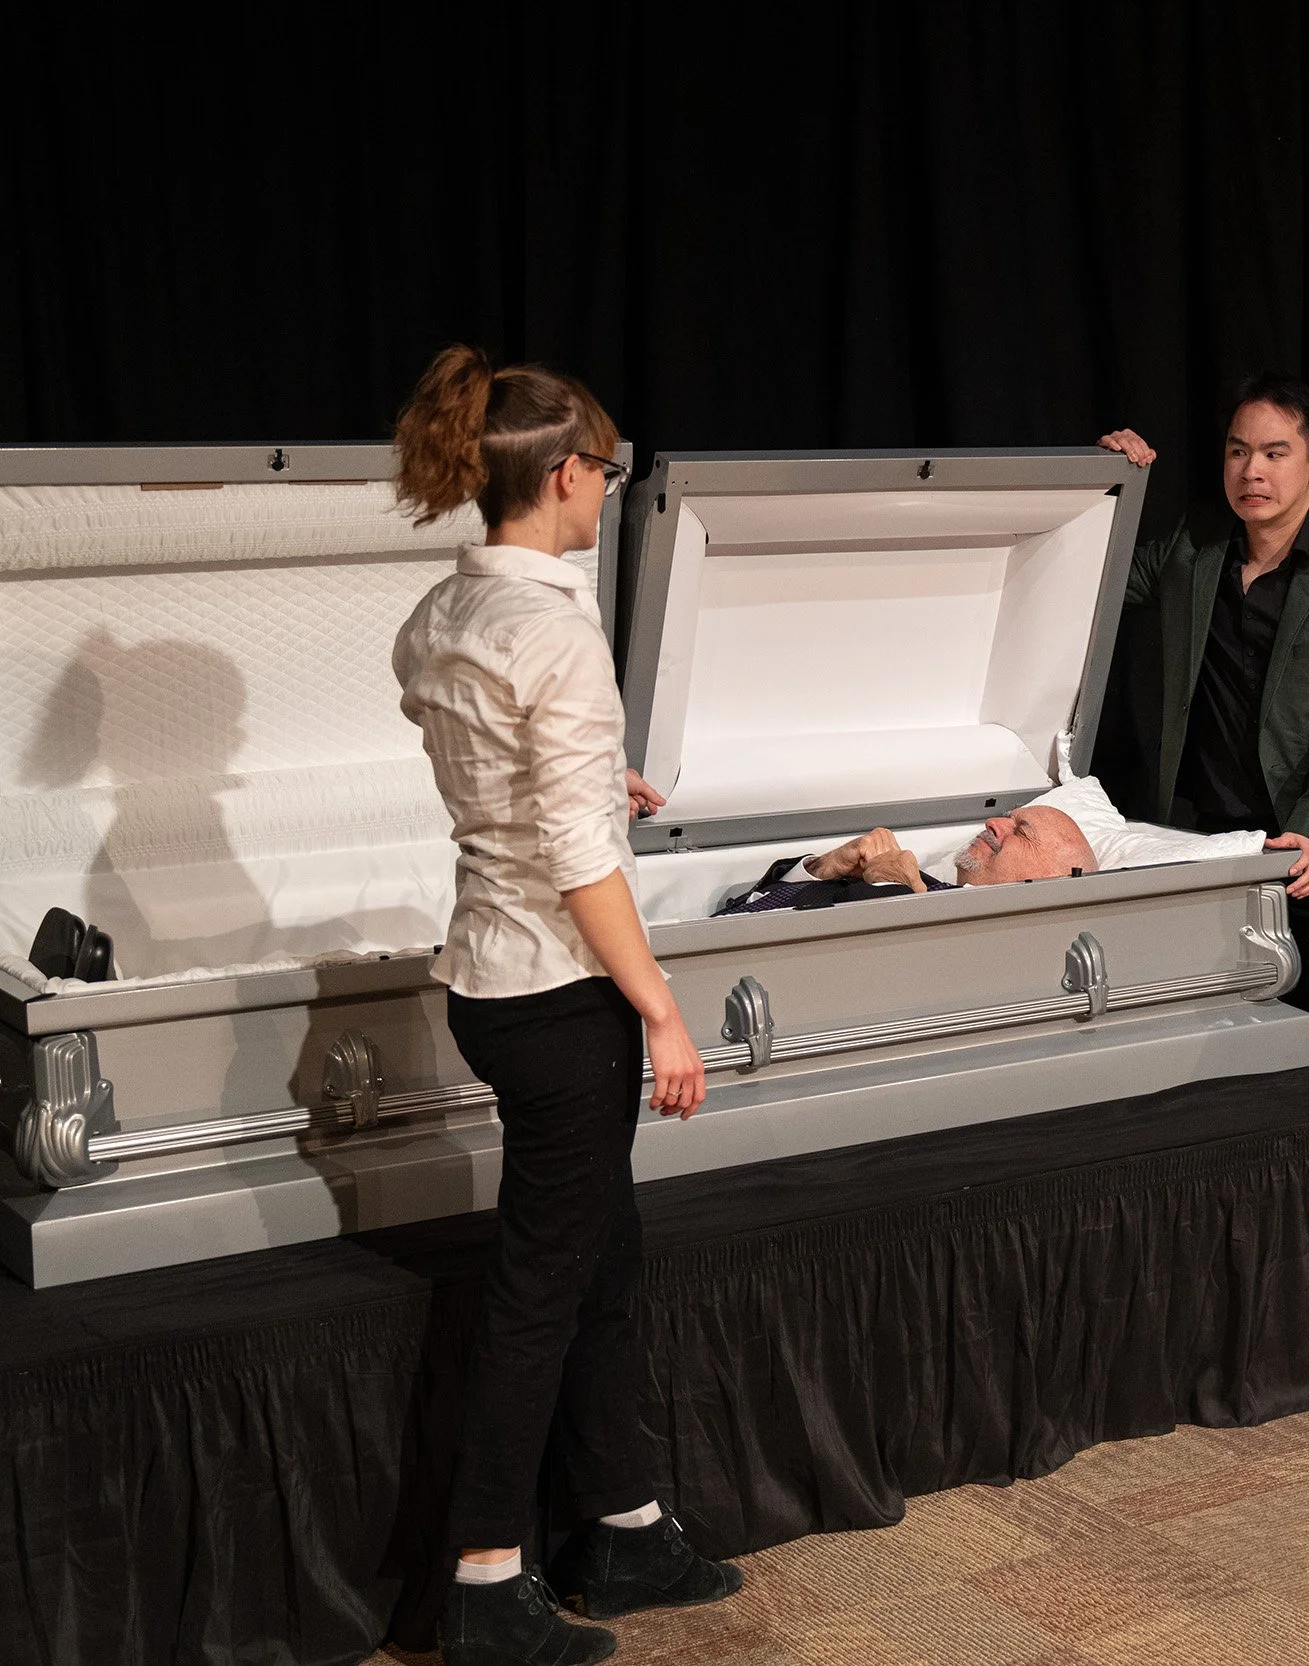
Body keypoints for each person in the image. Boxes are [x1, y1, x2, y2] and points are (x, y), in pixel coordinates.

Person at [391, 346, 742, 1666]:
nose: (609, 485)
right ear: (558, 472)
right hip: (562, 997)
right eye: (602, 464)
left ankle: (627, 1524)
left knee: (602, 1256)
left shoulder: (438, 616)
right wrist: (658, 1007)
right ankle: (485, 1579)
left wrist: (606, 783)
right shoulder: (552, 626)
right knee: (542, 1287)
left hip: (490, 978)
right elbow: (575, 860)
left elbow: (512, 786)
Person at [1096, 373, 1309, 1049]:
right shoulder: (1194, 545)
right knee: (1234, 1044)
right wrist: (1107, 479)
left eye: (1273, 453)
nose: (1252, 470)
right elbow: (1096, 572)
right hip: (1216, 842)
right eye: (1238, 452)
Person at [713, 808, 1309, 915]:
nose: (994, 823)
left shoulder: (916, 888)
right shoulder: (913, 875)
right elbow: (735, 907)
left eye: (1020, 829)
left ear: (1050, 879)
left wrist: (906, 899)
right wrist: (822, 866)